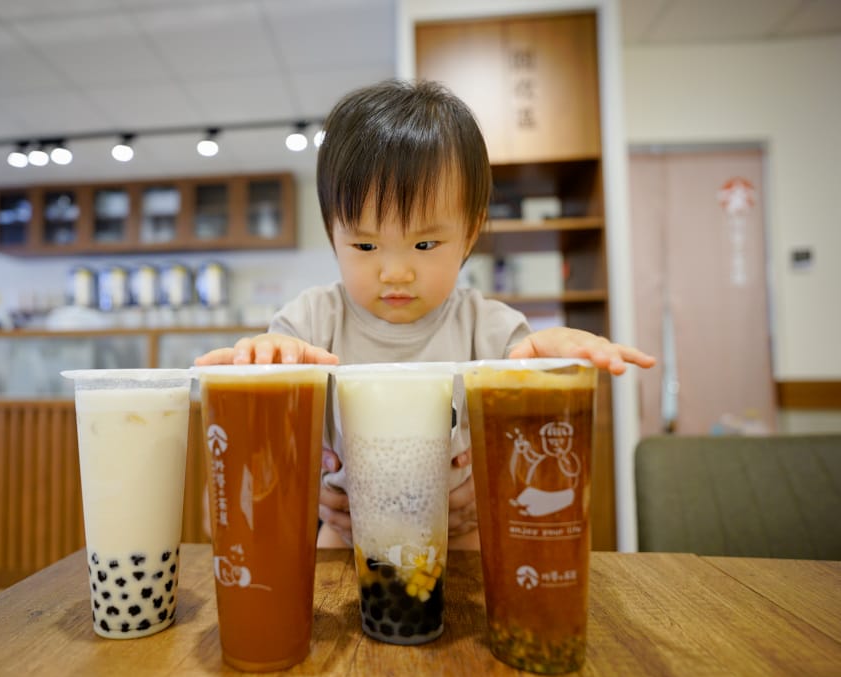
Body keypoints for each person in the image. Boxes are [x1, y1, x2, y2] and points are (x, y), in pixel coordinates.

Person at [196, 79, 655, 550]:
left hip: (461, 536)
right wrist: (271, 359)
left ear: (470, 233)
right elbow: (258, 458)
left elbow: (529, 413)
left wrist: (549, 364)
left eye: (424, 244)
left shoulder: (488, 327)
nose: (395, 272)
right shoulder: (312, 321)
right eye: (366, 245)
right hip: (346, 537)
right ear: (333, 233)